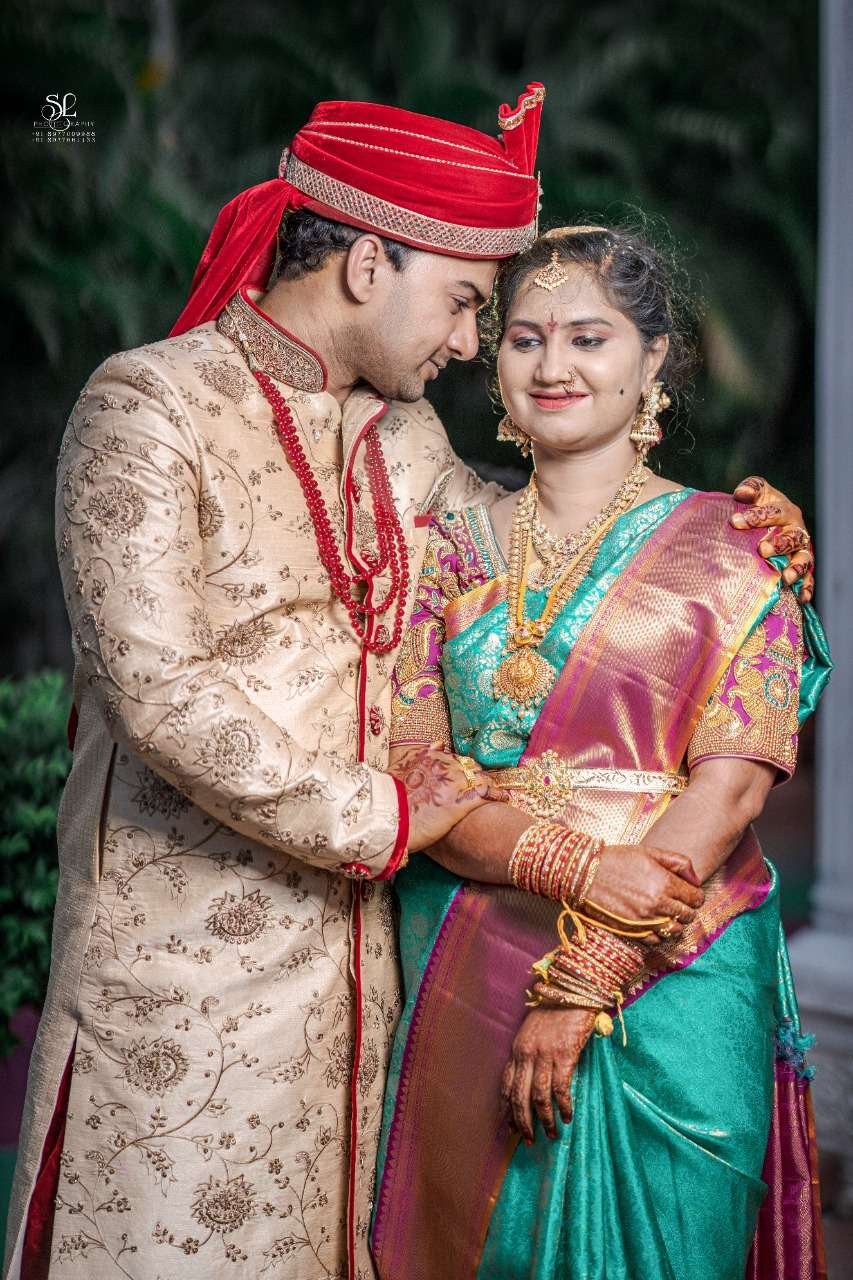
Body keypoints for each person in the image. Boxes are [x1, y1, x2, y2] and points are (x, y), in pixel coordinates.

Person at [4, 84, 811, 1278]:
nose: (472, 344)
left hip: (374, 984)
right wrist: (387, 814)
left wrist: (728, 535)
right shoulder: (149, 406)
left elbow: (547, 550)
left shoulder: (403, 436)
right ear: (369, 262)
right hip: (189, 976)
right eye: (471, 303)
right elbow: (161, 695)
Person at [372, 225, 831, 1280]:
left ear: (652, 356)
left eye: (589, 338)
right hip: (469, 955)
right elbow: (419, 775)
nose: (554, 366)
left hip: (679, 967)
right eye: (525, 338)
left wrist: (586, 977)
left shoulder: (739, 547)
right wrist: (572, 868)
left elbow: (727, 794)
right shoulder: (446, 550)